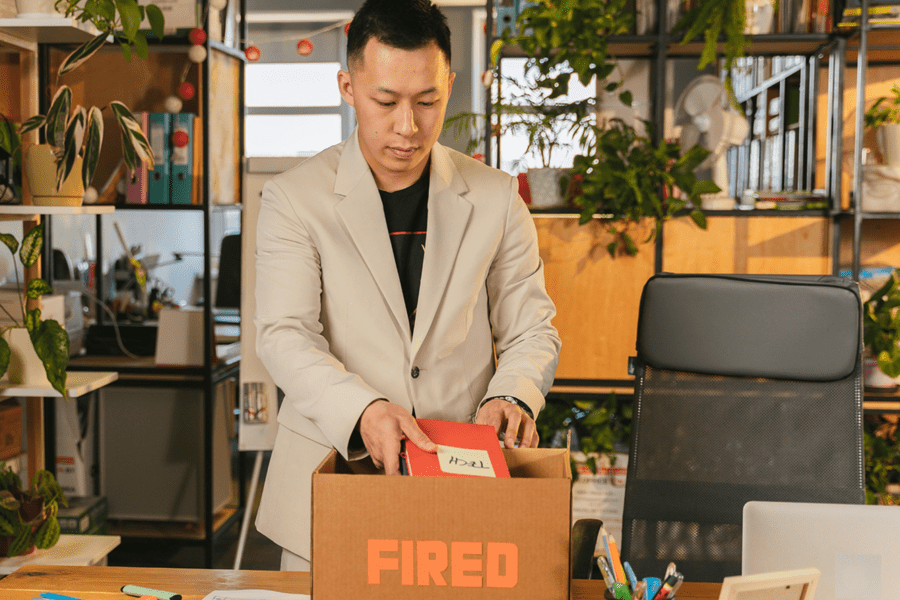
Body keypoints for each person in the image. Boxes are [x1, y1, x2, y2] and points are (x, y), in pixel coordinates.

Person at [253, 0, 561, 571]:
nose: (408, 126)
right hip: (331, 474)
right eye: (386, 101)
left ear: (449, 85)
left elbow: (531, 329)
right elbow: (284, 335)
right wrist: (365, 408)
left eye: (428, 101)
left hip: (460, 478)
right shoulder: (295, 198)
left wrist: (512, 394)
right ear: (348, 86)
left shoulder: (496, 198)